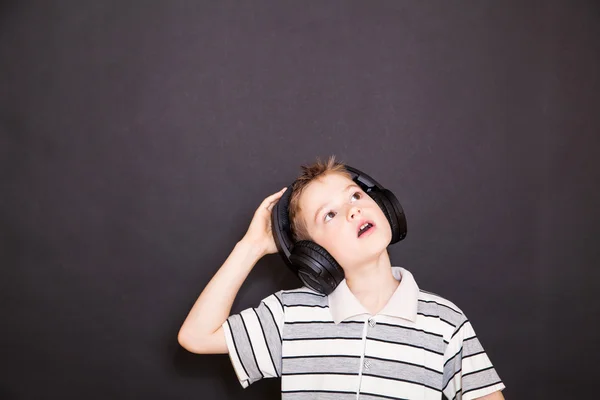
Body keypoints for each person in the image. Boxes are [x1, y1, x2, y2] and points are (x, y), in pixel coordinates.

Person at [178, 156, 505, 399]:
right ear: (313, 253)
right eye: (329, 214)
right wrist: (250, 246)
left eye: (355, 196)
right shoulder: (289, 316)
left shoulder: (444, 322)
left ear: (385, 207)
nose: (353, 210)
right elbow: (196, 336)